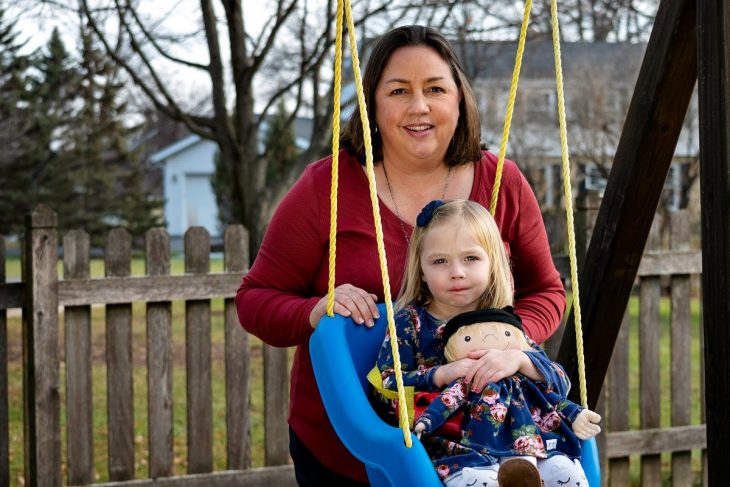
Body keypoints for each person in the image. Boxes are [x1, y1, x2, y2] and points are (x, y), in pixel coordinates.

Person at [235, 24, 566, 486]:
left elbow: (546, 291)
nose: (419, 107)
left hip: (485, 443)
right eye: (398, 91)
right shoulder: (325, 188)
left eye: (435, 88)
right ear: (373, 103)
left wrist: (505, 342)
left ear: (458, 99)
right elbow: (255, 300)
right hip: (348, 447)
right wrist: (315, 310)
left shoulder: (502, 184)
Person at [372, 200, 584, 486]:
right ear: (420, 269)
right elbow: (385, 389)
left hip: (528, 446)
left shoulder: (503, 322)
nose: (456, 272)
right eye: (439, 261)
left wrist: (521, 360)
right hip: (456, 450)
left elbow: (560, 384)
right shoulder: (410, 322)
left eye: (471, 258)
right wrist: (440, 374)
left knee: (566, 475)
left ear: (491, 262)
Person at [412, 306, 601, 487]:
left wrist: (577, 414)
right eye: (468, 338)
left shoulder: (526, 375)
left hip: (537, 442)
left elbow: (554, 398)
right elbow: (448, 401)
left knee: (565, 473)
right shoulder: (467, 379)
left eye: (507, 335)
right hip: (485, 443)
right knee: (509, 471)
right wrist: (427, 420)